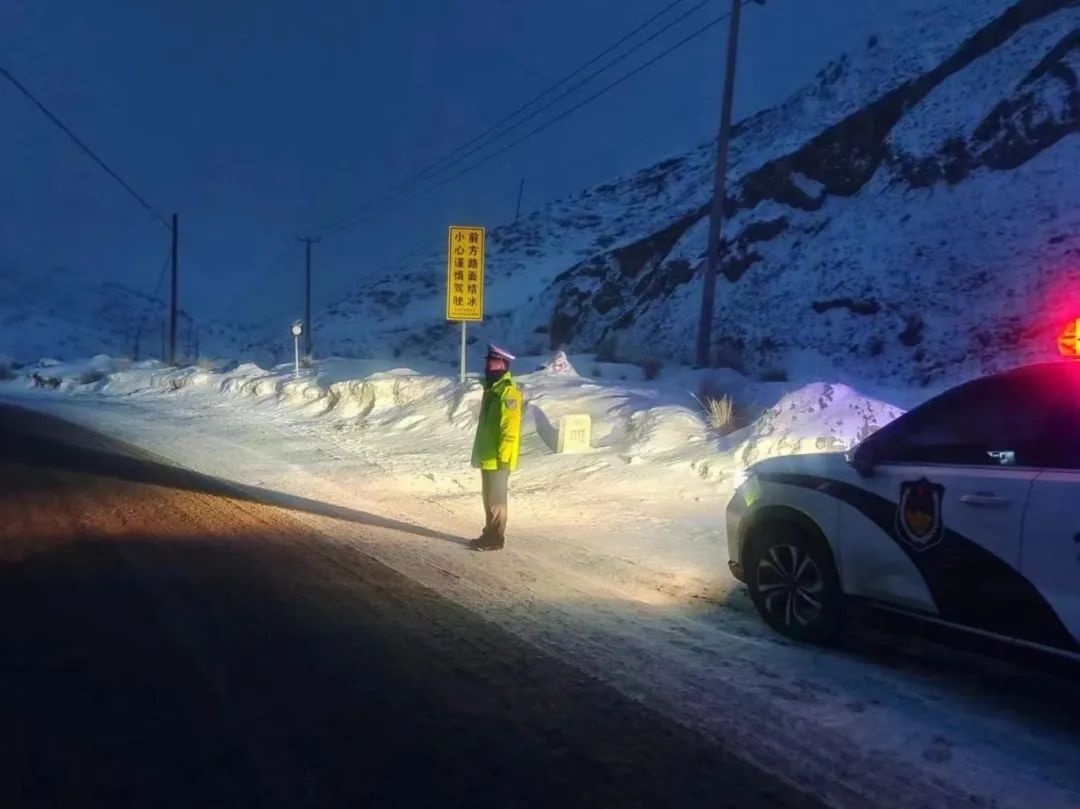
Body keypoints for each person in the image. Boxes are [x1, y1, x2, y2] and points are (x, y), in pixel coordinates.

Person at [469, 344, 522, 551]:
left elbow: (509, 429)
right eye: (489, 362)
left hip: (499, 457)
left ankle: (496, 538)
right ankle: (489, 533)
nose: (490, 367)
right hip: (487, 456)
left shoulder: (508, 394)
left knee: (497, 501)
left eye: (495, 363)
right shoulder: (492, 391)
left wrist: (505, 456)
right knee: (488, 498)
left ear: (504, 365)